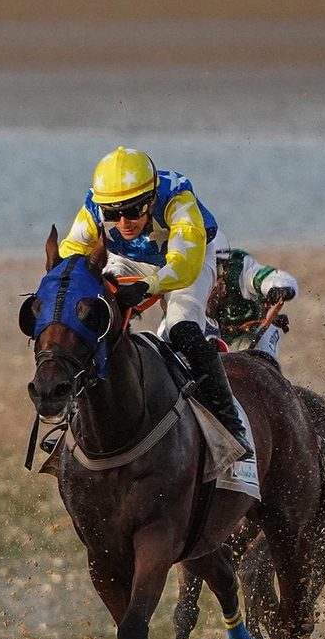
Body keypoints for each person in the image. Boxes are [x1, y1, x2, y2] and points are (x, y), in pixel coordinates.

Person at [57, 147, 250, 456]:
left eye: (133, 210)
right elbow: (70, 254)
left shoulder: (178, 200)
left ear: (152, 198)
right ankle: (73, 416)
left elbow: (184, 267)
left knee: (183, 329)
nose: (123, 223)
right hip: (129, 259)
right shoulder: (94, 206)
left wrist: (147, 287)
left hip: (188, 258)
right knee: (89, 320)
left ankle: (230, 423)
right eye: (112, 214)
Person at [206, 246, 298, 361]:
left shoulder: (239, 268)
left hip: (255, 332)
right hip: (211, 337)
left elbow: (264, 276)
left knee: (260, 362)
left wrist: (279, 287)